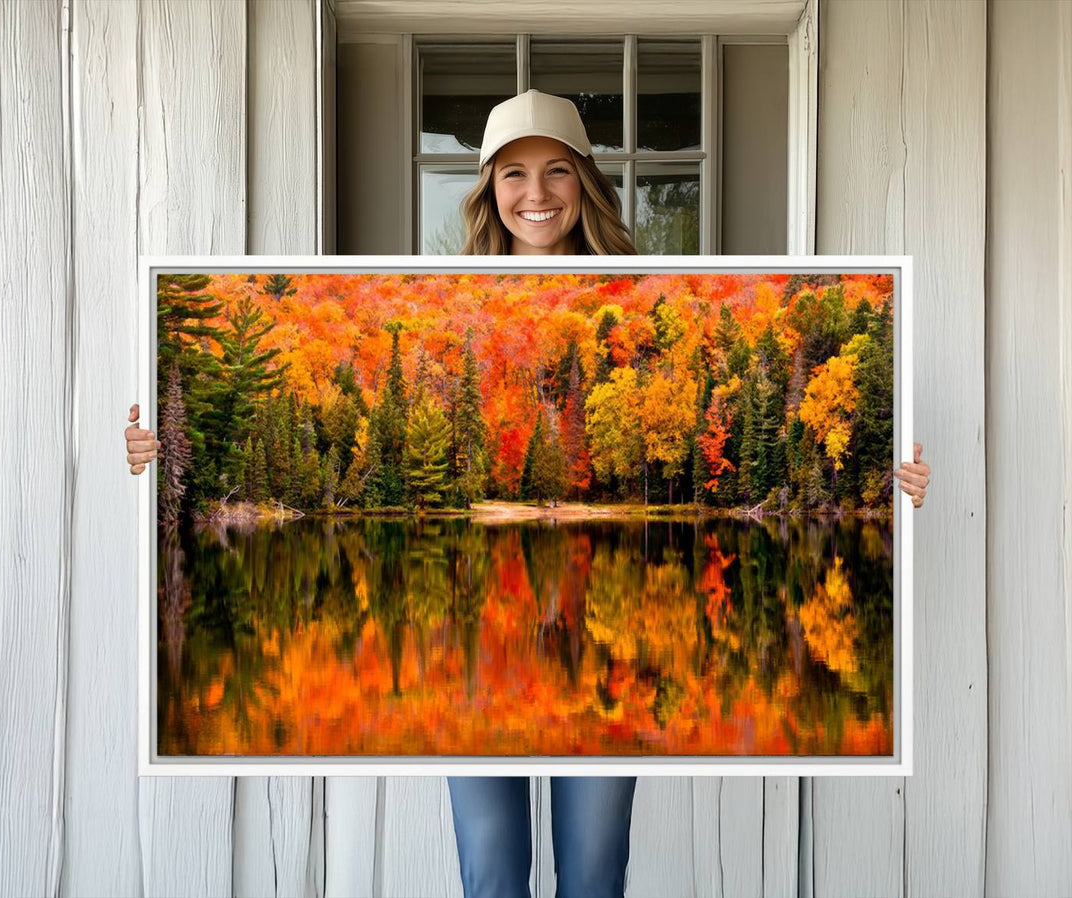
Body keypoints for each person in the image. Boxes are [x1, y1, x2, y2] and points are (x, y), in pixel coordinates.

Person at [123, 90, 931, 898]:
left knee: (592, 875)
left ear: (584, 182)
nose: (536, 194)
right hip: (475, 704)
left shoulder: (652, 287)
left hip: (595, 703)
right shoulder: (441, 292)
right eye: (514, 174)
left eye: (556, 172)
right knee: (492, 875)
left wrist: (891, 476)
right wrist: (155, 451)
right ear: (487, 189)